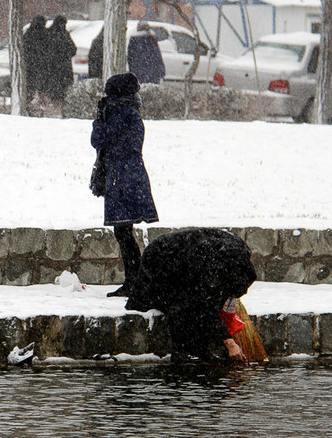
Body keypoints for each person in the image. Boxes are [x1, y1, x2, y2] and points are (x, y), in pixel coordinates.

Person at [126, 228, 257, 364]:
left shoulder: (238, 258)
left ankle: (198, 350)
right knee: (182, 305)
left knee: (197, 302)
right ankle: (182, 352)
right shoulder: (215, 267)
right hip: (162, 257)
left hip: (186, 257)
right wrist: (230, 343)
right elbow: (206, 308)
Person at [90, 72, 158, 298]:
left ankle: (135, 282)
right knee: (125, 231)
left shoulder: (120, 114)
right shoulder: (131, 112)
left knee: (123, 232)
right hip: (131, 174)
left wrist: (98, 120)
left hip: (122, 177)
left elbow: (98, 140)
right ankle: (136, 281)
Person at [45, 15, 77, 105]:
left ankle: (53, 102)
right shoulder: (65, 34)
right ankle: (61, 103)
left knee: (53, 88)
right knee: (63, 89)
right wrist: (65, 56)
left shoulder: (48, 33)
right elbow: (73, 49)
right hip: (64, 67)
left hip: (51, 67)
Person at [23, 15, 48, 106]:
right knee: (42, 85)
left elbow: (24, 46)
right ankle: (41, 102)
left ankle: (29, 100)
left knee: (30, 84)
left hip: (30, 63)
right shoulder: (46, 34)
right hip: (43, 64)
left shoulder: (28, 33)